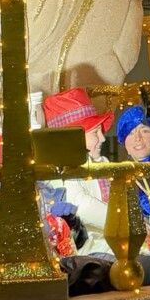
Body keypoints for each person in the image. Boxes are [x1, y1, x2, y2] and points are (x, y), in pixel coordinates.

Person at [41, 87, 115, 259]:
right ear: (74, 137)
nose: (103, 138)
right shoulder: (60, 169)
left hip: (106, 242)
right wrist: (126, 221)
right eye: (95, 132)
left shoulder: (100, 164)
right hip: (82, 252)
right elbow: (82, 205)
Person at [117, 105, 150, 255]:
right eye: (131, 133)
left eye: (144, 131)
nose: (138, 138)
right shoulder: (118, 176)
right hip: (138, 250)